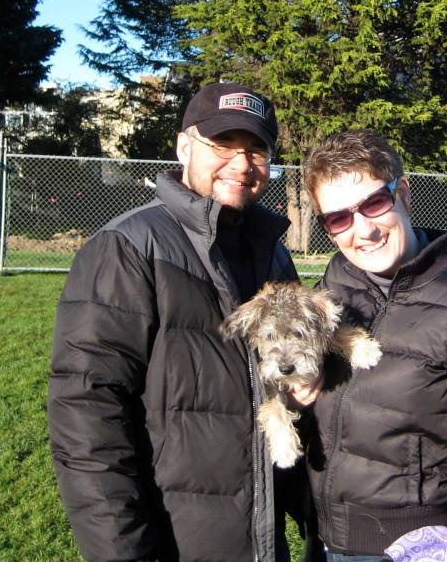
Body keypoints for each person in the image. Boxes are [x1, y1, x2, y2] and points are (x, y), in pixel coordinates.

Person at [48, 82, 307, 562]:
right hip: (176, 539)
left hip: (260, 539)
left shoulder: (271, 253)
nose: (241, 163)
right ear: (184, 146)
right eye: (222, 145)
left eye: (256, 149)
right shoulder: (129, 247)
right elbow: (87, 414)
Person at [301, 130, 447, 562]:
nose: (362, 231)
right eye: (338, 219)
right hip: (321, 540)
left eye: (373, 203)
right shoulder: (328, 292)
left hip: (407, 548)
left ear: (402, 193)